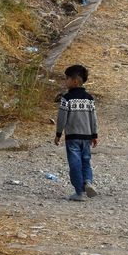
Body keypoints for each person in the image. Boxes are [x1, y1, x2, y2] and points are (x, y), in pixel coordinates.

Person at [54, 64, 99, 202]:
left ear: (74, 81)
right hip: (86, 137)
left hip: (72, 137)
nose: (65, 82)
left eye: (66, 79)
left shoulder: (66, 99)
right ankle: (88, 181)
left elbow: (62, 118)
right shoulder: (89, 99)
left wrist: (58, 134)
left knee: (75, 164)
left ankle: (79, 192)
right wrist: (94, 134)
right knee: (86, 161)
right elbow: (94, 118)